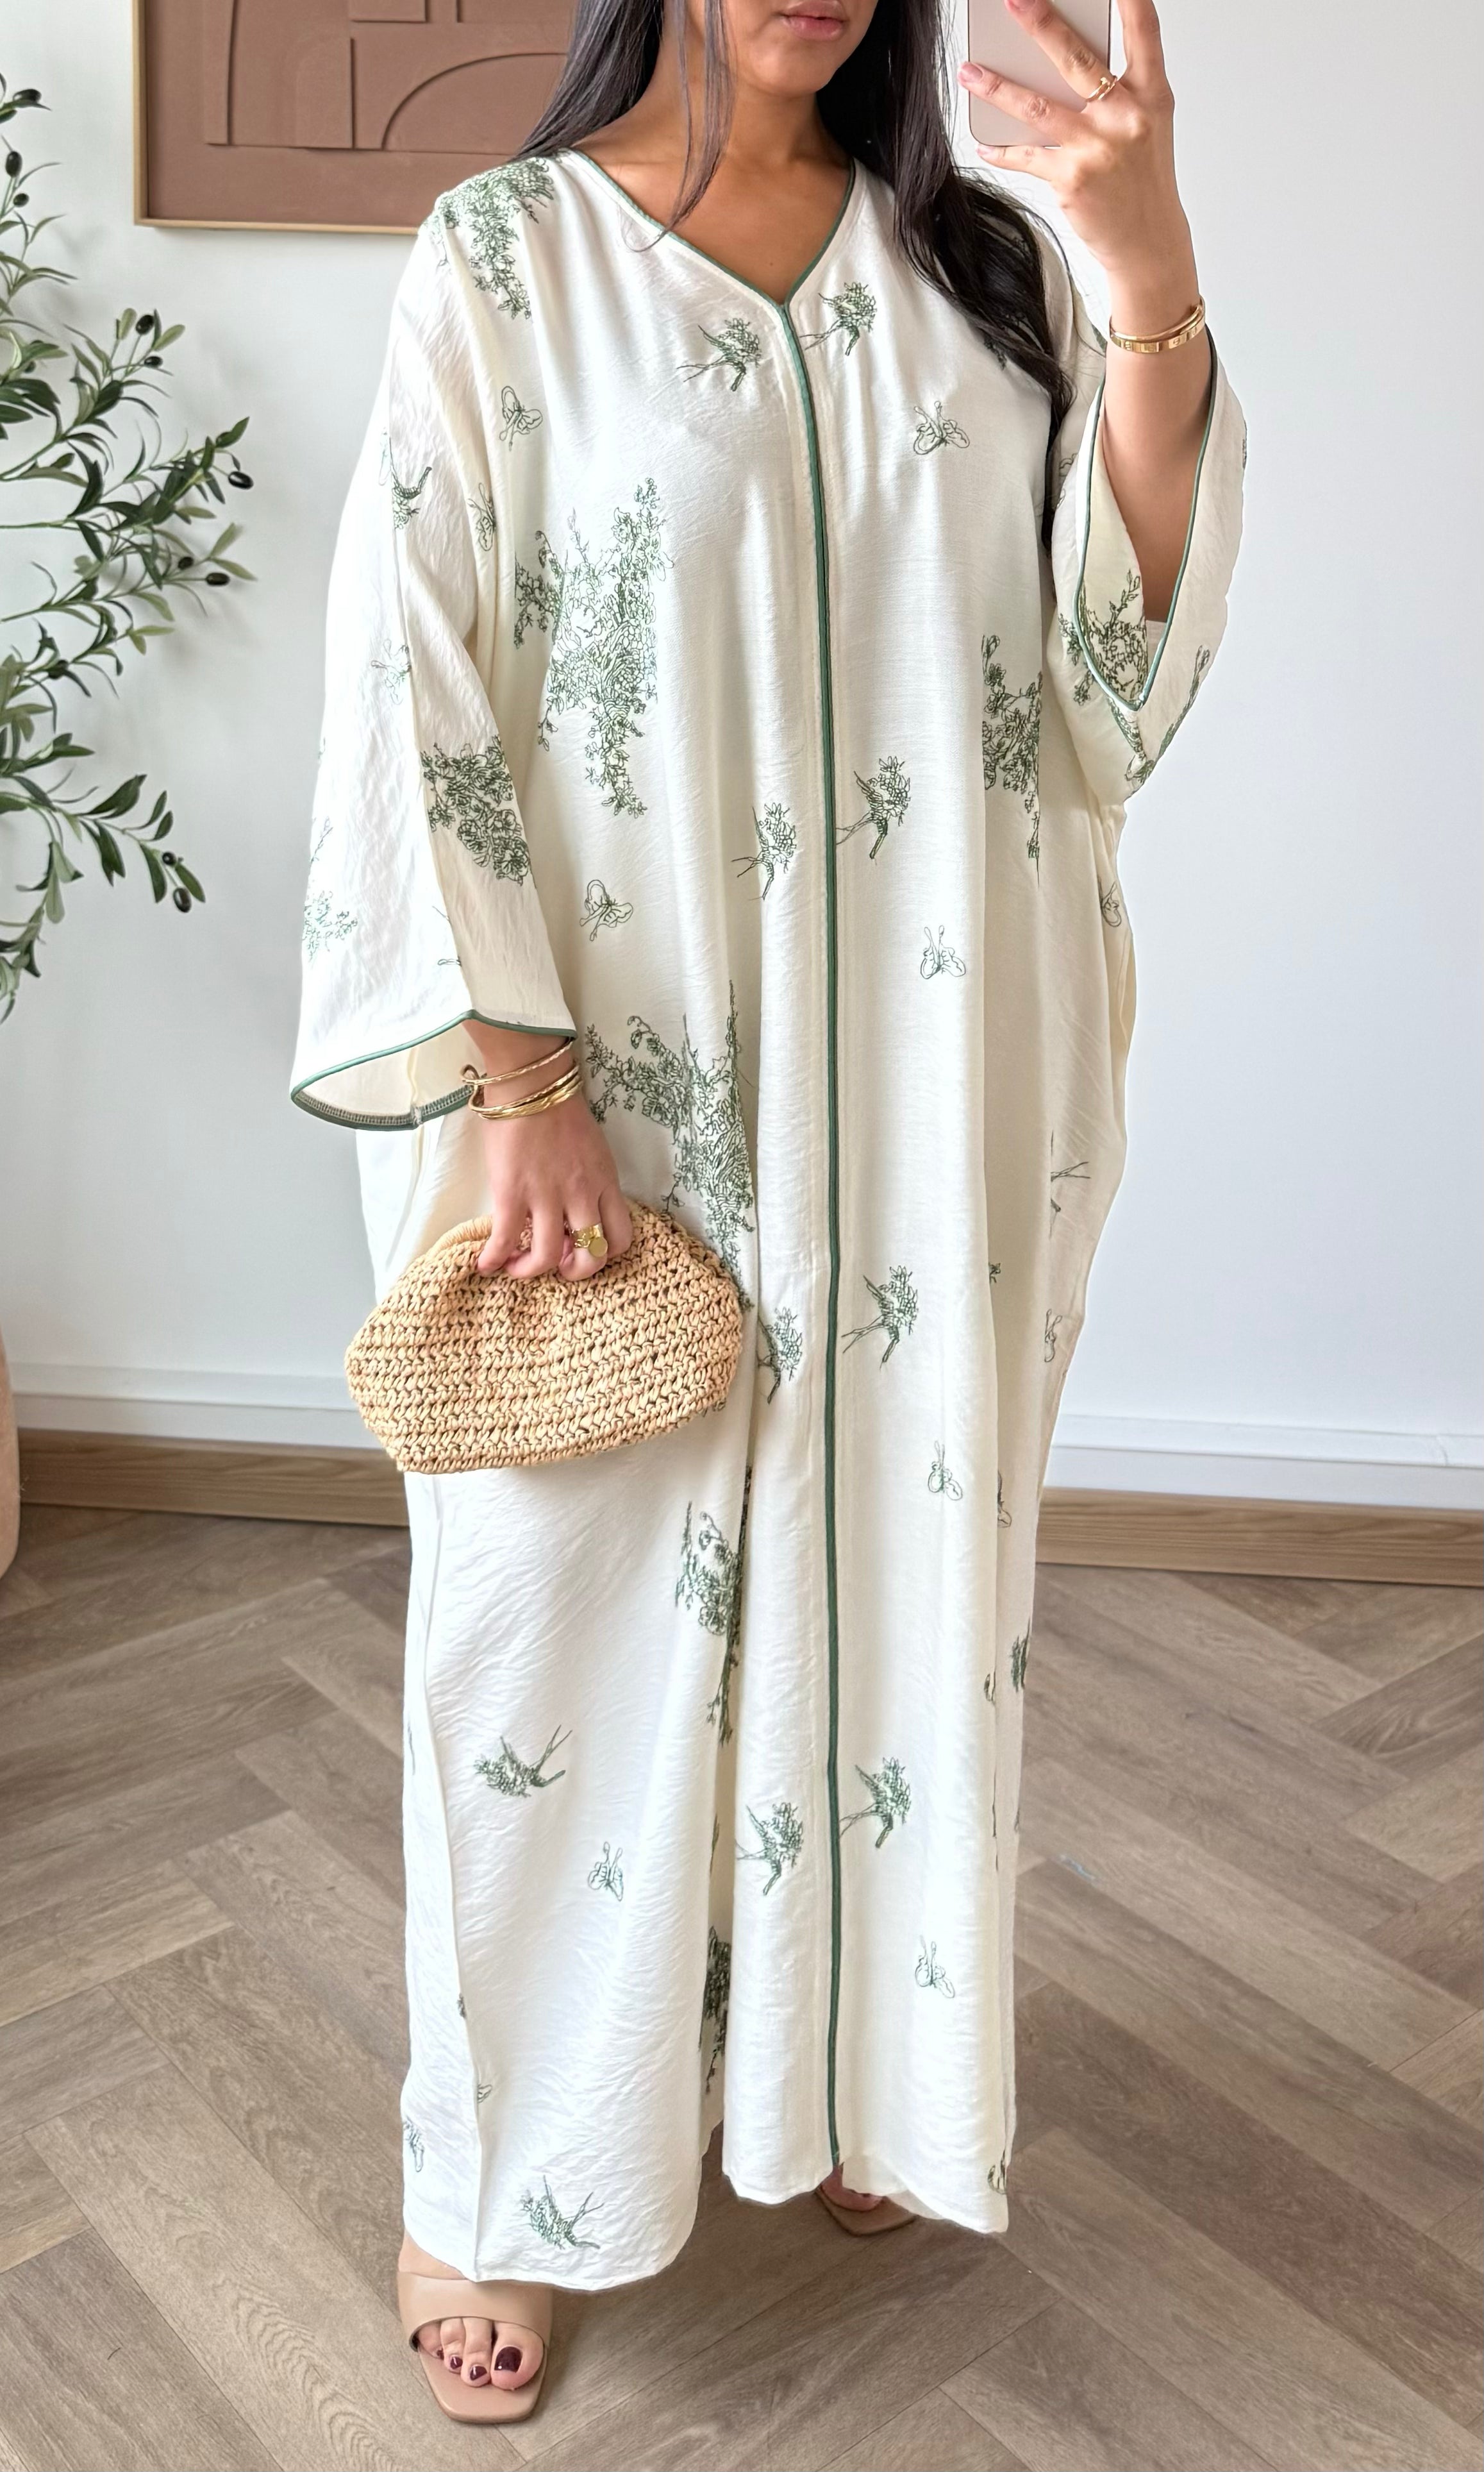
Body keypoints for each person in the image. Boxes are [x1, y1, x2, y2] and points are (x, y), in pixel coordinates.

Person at [292, 0, 1243, 2423]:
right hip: (607, 1095)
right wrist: (512, 1080)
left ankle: (854, 2081)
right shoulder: (508, 257)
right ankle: (500, 2180)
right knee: (554, 1642)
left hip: (938, 1096)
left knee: (904, 1607)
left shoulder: (976, 274)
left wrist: (1139, 264)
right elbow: (411, 678)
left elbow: (1107, 684)